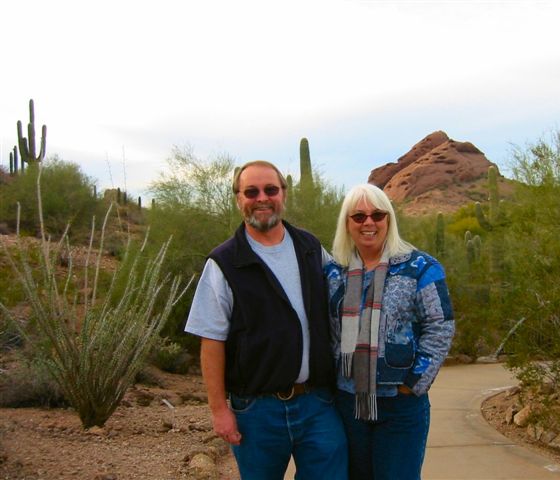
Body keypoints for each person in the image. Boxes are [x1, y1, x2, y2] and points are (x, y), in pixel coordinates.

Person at [185, 160, 348, 480]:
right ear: (238, 199)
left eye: (270, 189)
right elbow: (211, 339)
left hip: (317, 403)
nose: (262, 198)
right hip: (257, 411)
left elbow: (345, 296)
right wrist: (219, 410)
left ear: (283, 194)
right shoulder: (224, 262)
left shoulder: (310, 248)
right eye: (251, 191)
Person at [324, 183, 455, 480]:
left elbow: (441, 325)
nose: (369, 222)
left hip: (400, 405)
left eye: (377, 215)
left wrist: (412, 384)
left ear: (389, 220)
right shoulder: (333, 272)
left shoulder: (419, 267)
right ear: (347, 223)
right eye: (358, 216)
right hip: (347, 403)